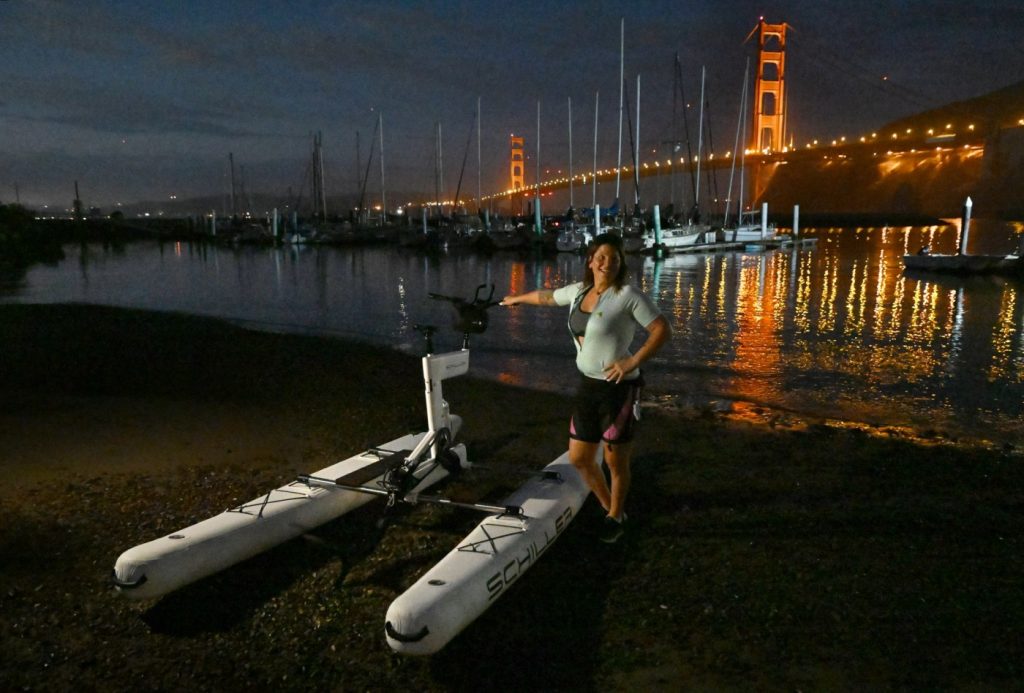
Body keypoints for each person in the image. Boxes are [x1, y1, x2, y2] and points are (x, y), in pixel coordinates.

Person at [500, 233, 671, 543]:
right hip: (588, 386)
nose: (608, 262)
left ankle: (616, 516)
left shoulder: (628, 296)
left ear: (621, 264)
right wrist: (517, 299)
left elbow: (661, 329)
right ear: (590, 260)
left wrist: (630, 362)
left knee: (614, 460)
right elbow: (548, 296)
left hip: (618, 388)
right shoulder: (580, 292)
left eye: (615, 258)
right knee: (579, 456)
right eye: (602, 257)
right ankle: (610, 507)